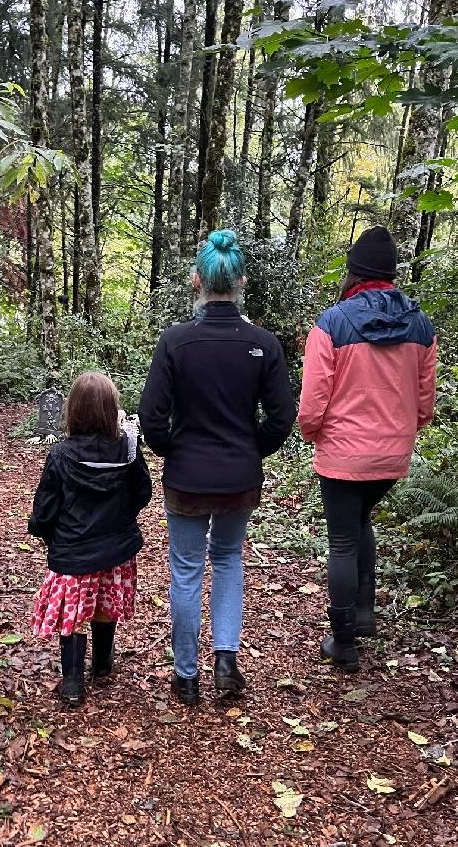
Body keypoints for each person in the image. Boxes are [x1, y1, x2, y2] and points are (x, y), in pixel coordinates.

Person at [139, 229, 296, 705]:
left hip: (187, 478)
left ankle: (186, 675)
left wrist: (174, 450)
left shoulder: (175, 342)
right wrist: (251, 449)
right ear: (242, 281)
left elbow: (150, 418)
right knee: (227, 560)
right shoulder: (262, 344)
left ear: (196, 281)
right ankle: (225, 659)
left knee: (186, 569)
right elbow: (283, 416)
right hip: (238, 479)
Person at [297, 226, 437, 673]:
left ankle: (343, 643)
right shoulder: (420, 325)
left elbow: (314, 399)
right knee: (361, 522)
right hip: (392, 455)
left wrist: (311, 431)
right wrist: (402, 432)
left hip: (342, 452)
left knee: (342, 539)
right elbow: (425, 402)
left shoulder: (332, 323)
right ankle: (363, 613)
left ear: (354, 272)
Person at [28, 372, 152, 707]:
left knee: (75, 611)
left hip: (73, 550)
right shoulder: (127, 449)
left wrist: (44, 532)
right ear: (112, 408)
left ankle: (72, 682)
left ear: (74, 409)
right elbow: (143, 492)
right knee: (104, 603)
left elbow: (44, 510)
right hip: (116, 546)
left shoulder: (60, 455)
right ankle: (102, 664)